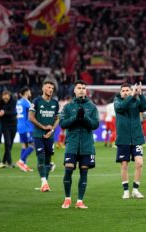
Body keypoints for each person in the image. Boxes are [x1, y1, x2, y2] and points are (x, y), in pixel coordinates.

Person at [59, 80, 99, 209]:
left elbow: (95, 125)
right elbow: (63, 124)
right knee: (68, 169)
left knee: (84, 171)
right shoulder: (68, 107)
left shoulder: (92, 107)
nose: (81, 90)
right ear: (74, 90)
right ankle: (67, 199)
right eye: (79, 88)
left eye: (83, 88)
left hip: (87, 144)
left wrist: (85, 118)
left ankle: (80, 201)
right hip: (72, 143)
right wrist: (76, 117)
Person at [114, 82, 146, 199]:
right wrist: (131, 96)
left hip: (136, 138)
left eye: (127, 90)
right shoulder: (117, 101)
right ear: (120, 93)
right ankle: (125, 191)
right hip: (123, 138)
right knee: (124, 165)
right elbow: (122, 107)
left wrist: (141, 94)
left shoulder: (136, 100)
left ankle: (135, 189)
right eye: (123, 91)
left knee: (139, 163)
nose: (125, 92)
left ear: (130, 91)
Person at [29, 81, 60, 192]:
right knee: (41, 157)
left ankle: (45, 183)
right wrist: (43, 127)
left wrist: (51, 129)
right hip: (38, 134)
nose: (50, 89)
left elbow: (57, 118)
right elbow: (31, 117)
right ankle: (44, 181)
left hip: (50, 135)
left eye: (52, 87)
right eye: (48, 87)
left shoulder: (55, 103)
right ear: (43, 88)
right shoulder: (36, 101)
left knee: (48, 160)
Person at [16, 87, 34, 172]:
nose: (30, 92)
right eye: (29, 91)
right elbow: (33, 112)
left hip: (20, 125)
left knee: (25, 144)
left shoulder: (19, 102)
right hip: (26, 126)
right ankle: (21, 161)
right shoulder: (26, 102)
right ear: (26, 92)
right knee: (33, 144)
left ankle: (24, 165)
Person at [0, 90, 17, 167]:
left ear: (9, 96)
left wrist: (4, 112)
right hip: (5, 125)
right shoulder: (0, 102)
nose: (5, 98)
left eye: (7, 96)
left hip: (13, 125)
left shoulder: (13, 101)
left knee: (10, 144)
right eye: (4, 96)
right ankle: (9, 163)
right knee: (7, 143)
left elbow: (13, 112)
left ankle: (3, 161)